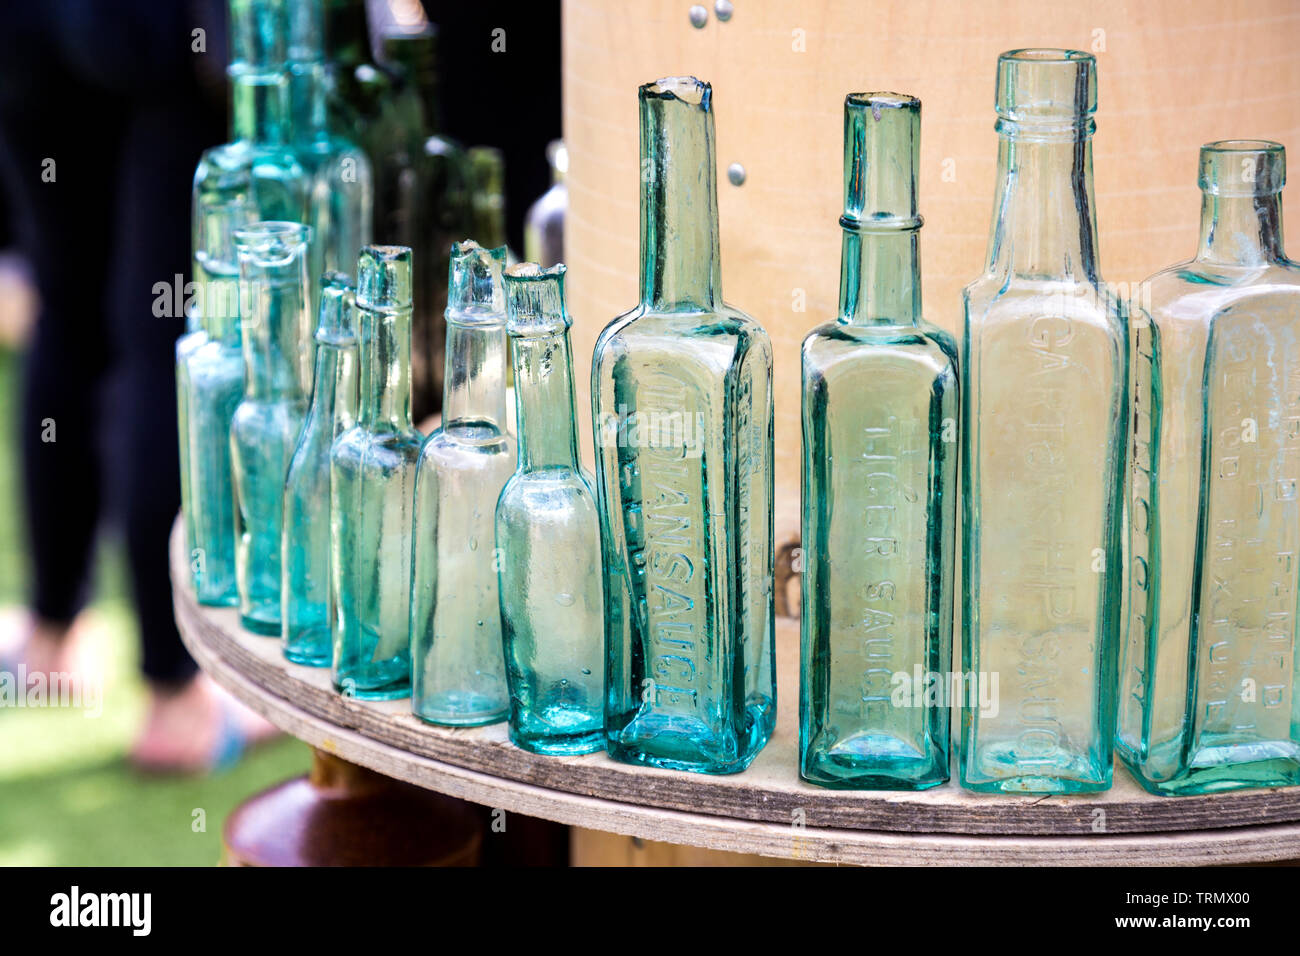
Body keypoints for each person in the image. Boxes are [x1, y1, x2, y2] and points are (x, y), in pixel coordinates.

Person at [0, 0, 274, 770]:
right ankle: (176, 698)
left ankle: (51, 634)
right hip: (152, 28)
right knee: (163, 341)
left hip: (30, 28)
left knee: (69, 306)